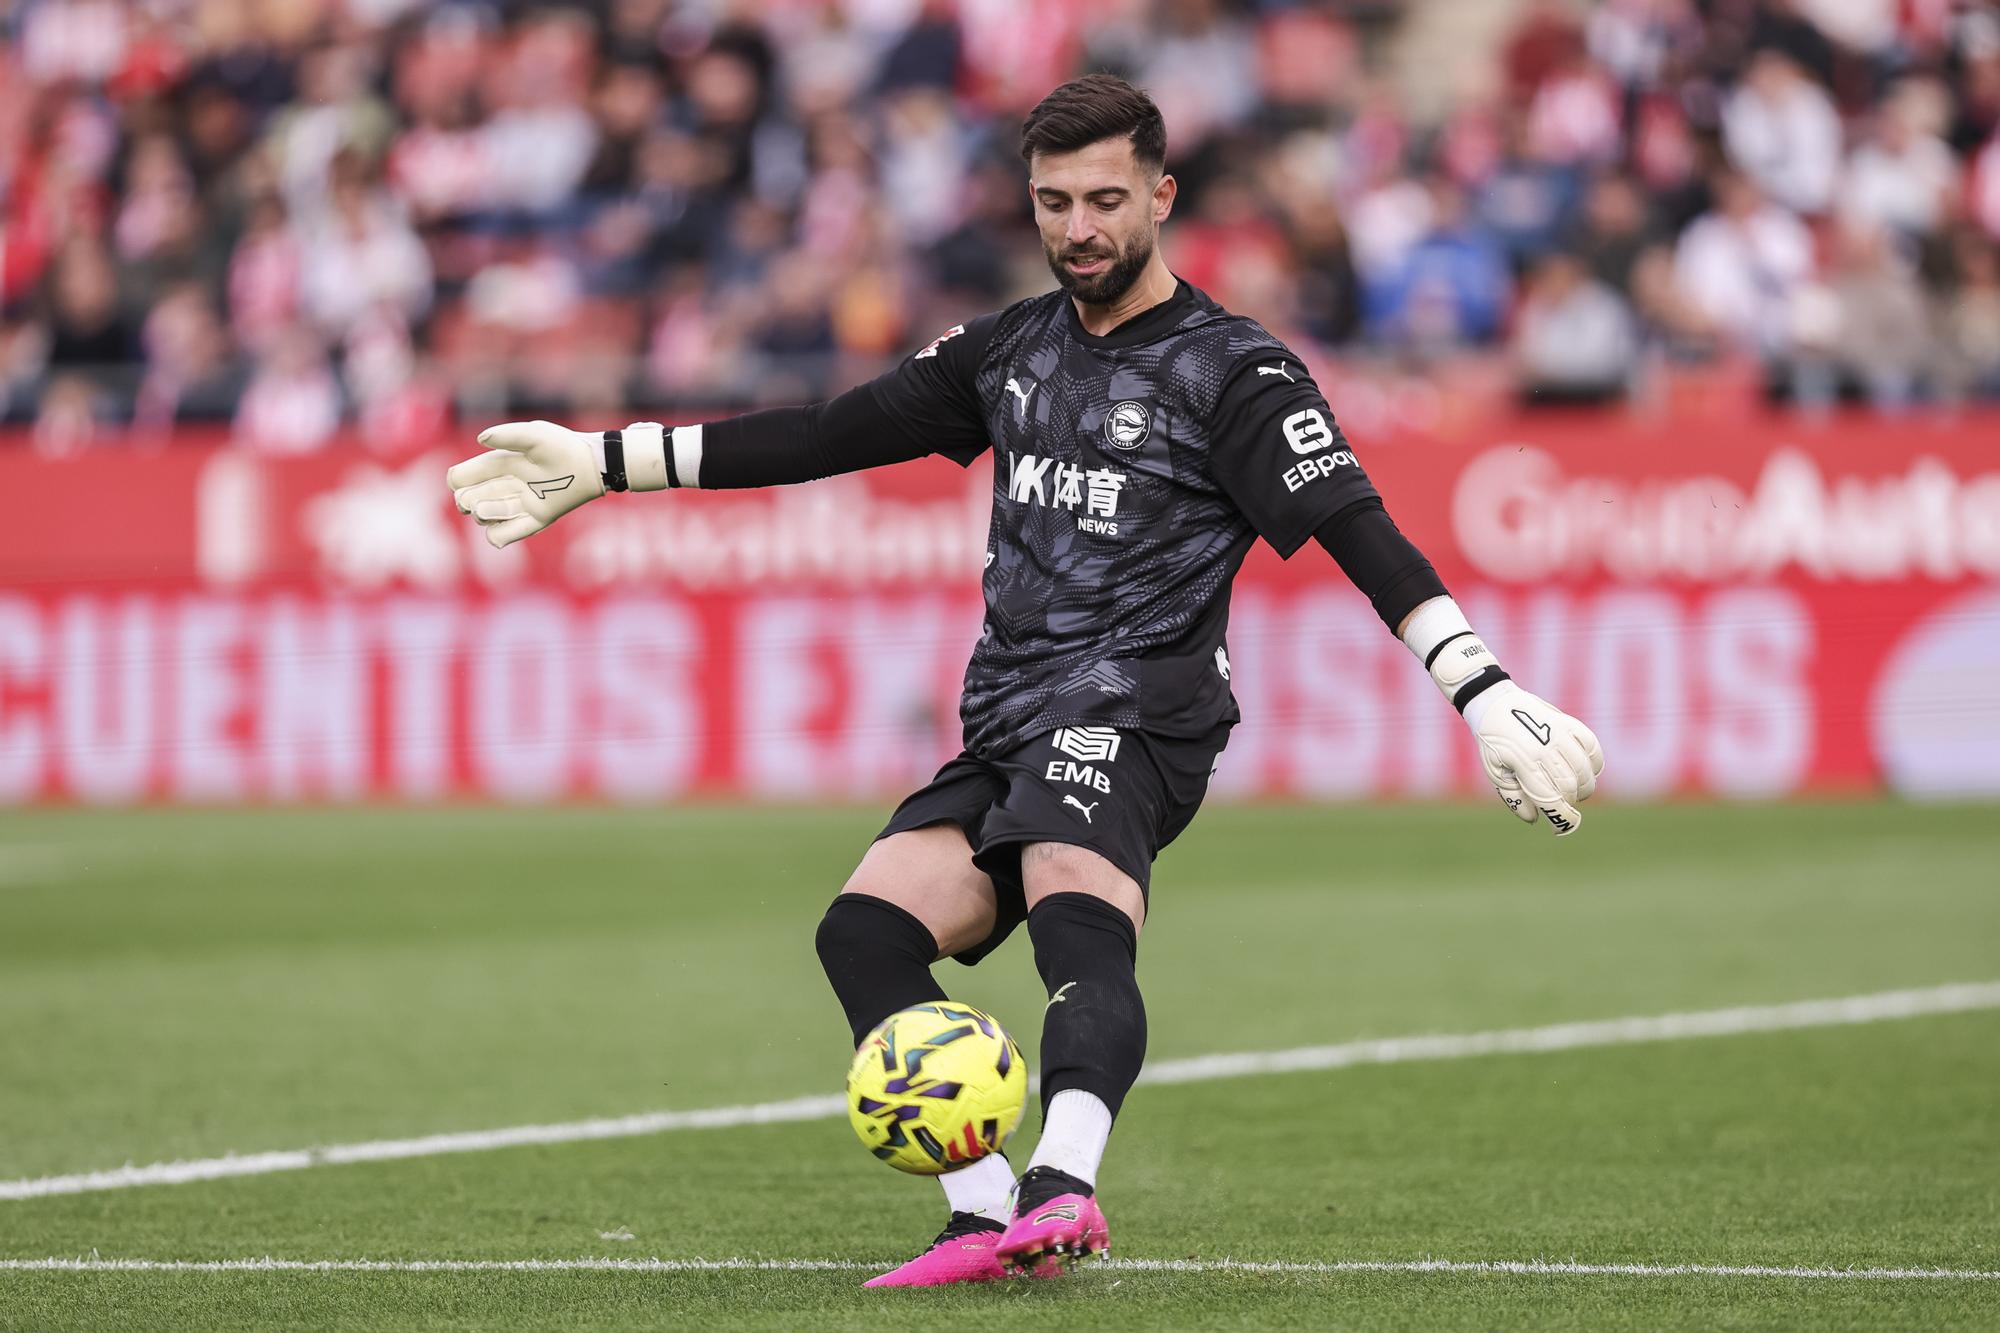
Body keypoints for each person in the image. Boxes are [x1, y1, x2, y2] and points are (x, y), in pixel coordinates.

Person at [444, 74, 1603, 1288]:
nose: (1078, 228)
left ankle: (1063, 1184)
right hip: (1008, 711)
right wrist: (608, 461)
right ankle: (982, 1208)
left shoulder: (1233, 372)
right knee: (864, 931)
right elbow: (828, 433)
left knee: (1068, 888)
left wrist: (1478, 687)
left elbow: (1358, 531)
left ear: (1160, 197)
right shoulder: (1007, 350)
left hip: (1141, 706)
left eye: (1105, 200)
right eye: (1054, 203)